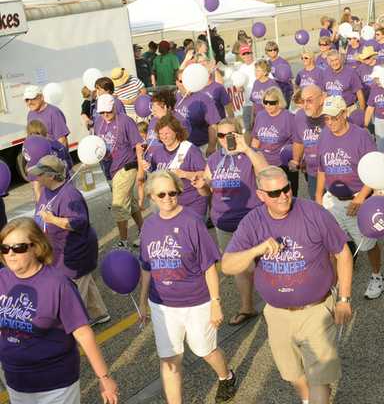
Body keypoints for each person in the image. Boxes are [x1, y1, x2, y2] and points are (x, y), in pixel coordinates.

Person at [221, 166, 353, 404]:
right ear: (261, 196)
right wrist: (257, 249)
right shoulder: (253, 222)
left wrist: (344, 299)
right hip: (277, 314)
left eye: (286, 189)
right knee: (292, 373)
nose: (283, 196)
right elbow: (228, 265)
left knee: (319, 380)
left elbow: (342, 252)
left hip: (316, 311)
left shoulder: (314, 213)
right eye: (274, 193)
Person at [138, 171, 237, 403]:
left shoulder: (192, 222)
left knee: (205, 350)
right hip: (162, 306)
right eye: (161, 194)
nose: (167, 198)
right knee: (170, 360)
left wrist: (216, 303)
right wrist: (143, 301)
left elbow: (209, 267)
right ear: (152, 196)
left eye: (172, 193)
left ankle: (226, 376)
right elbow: (146, 267)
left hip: (197, 302)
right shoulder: (149, 226)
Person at [0, 217, 119, 404]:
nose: (11, 254)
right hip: (16, 383)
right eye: (5, 248)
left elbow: (82, 333)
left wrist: (103, 377)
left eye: (19, 248)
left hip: (56, 386)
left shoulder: (58, 284)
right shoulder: (2, 279)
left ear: (36, 247)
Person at [193, 117, 268, 326]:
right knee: (239, 266)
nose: (225, 139)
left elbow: (266, 173)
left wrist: (247, 149)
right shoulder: (214, 159)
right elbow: (206, 190)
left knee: (262, 263)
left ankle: (275, 299)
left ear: (238, 134)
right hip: (223, 220)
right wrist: (201, 185)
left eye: (230, 135)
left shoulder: (249, 155)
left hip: (250, 218)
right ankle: (247, 307)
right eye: (221, 135)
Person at [315, 96, 384, 299]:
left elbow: (375, 170)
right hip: (332, 200)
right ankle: (335, 282)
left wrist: (361, 198)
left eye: (334, 118)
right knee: (332, 245)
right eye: (326, 119)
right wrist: (318, 196)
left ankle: (377, 276)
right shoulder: (324, 135)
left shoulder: (361, 136)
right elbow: (322, 168)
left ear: (344, 114)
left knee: (368, 244)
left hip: (355, 200)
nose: (330, 123)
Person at [29, 155, 110, 326]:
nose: (36, 177)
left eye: (39, 174)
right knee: (84, 282)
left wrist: (52, 220)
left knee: (72, 292)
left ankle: (73, 327)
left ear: (51, 176)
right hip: (59, 250)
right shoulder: (46, 190)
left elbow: (78, 222)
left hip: (75, 251)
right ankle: (99, 314)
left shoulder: (69, 195)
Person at [94, 94, 145, 248]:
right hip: (111, 168)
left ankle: (123, 241)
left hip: (127, 166)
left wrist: (141, 169)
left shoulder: (126, 121)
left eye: (108, 111)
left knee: (119, 205)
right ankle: (144, 231)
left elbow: (138, 145)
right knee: (132, 203)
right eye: (102, 112)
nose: (105, 115)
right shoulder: (98, 122)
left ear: (114, 107)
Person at [142, 115, 208, 219]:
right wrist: (149, 168)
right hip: (170, 204)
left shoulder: (190, 149)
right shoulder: (158, 152)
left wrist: (184, 174)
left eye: (167, 133)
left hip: (192, 204)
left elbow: (205, 175)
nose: (164, 137)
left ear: (176, 132)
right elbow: (157, 174)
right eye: (161, 134)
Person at [251, 86, 298, 196]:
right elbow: (256, 139)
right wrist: (252, 159)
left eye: (272, 103)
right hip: (264, 164)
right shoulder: (260, 115)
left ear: (279, 102)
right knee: (266, 195)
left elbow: (297, 142)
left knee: (286, 195)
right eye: (265, 102)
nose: (268, 105)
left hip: (283, 164)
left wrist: (296, 160)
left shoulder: (289, 117)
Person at [174, 68, 222, 155]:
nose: (185, 84)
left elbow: (213, 124)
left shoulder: (204, 98)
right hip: (180, 148)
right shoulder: (175, 97)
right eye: (181, 81)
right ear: (176, 82)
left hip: (200, 146)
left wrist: (211, 146)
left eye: (187, 81)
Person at [291, 85, 325, 198]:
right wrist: (296, 160)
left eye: (309, 101)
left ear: (321, 100)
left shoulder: (331, 115)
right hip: (313, 172)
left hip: (333, 173)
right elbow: (298, 141)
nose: (305, 105)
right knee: (316, 208)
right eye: (303, 101)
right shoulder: (300, 116)